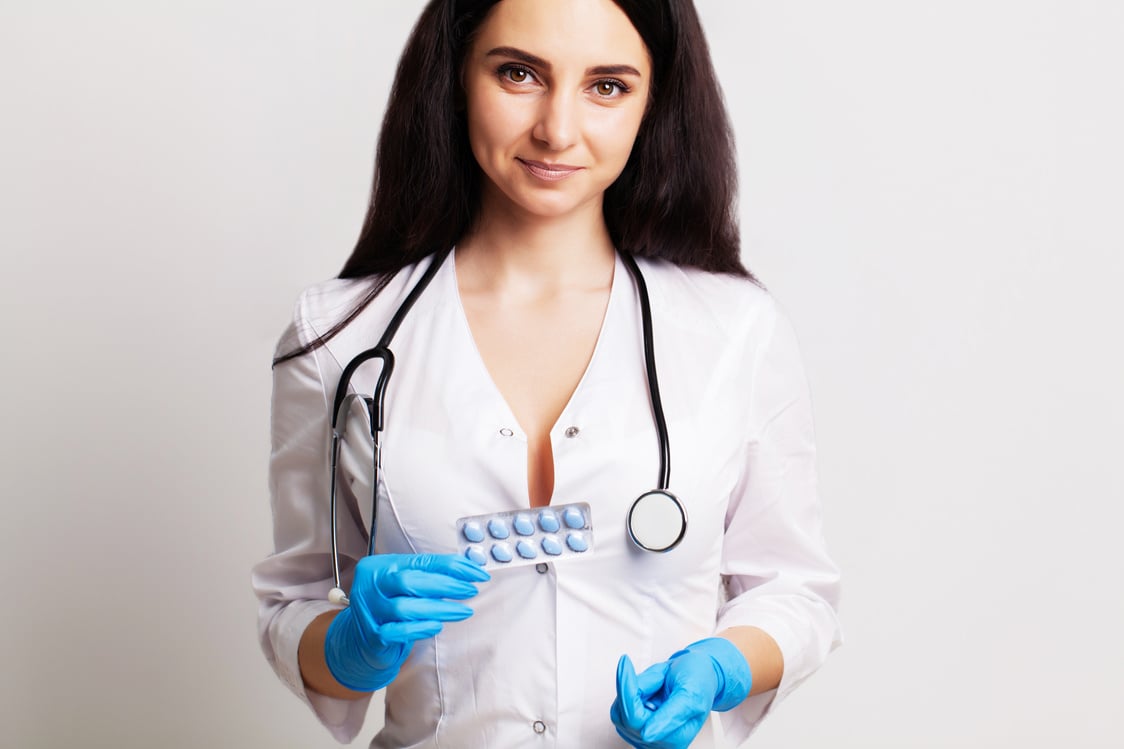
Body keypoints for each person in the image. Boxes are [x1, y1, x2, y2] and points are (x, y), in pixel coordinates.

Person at [251, 0, 842, 746]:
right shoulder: (340, 339)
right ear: (456, 77)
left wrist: (722, 665)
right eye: (519, 73)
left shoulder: (735, 331)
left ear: (654, 101)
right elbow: (295, 602)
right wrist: (349, 646)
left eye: (607, 86)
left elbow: (795, 591)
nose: (557, 129)